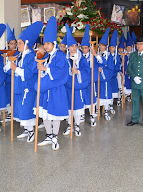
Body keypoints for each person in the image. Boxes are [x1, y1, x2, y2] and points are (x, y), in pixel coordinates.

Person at [36, 16, 69, 151]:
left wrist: (46, 69)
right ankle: (49, 135)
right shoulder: (48, 55)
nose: (45, 46)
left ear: (54, 44)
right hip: (47, 89)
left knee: (55, 114)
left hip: (56, 89)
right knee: (46, 113)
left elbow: (61, 72)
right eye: (45, 44)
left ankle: (55, 137)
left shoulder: (59, 55)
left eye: (48, 44)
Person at [7, 21, 43, 142]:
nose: (18, 45)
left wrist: (16, 69)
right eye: (17, 43)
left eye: (20, 43)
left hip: (28, 88)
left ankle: (31, 131)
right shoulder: (20, 55)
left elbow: (28, 73)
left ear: (27, 44)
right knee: (21, 110)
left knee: (26, 109)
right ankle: (27, 130)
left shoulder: (32, 56)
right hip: (20, 87)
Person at [63, 24, 89, 137]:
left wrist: (78, 72)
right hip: (67, 85)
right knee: (69, 106)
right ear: (68, 47)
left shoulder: (81, 58)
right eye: (71, 46)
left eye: (75, 45)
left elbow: (87, 71)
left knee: (77, 105)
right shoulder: (64, 58)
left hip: (77, 86)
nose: (73, 48)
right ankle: (70, 125)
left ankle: (77, 125)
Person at [91, 28, 114, 121]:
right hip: (98, 78)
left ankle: (106, 112)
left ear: (106, 47)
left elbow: (110, 67)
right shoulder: (96, 54)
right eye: (99, 45)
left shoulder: (109, 56)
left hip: (105, 78)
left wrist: (103, 71)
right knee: (98, 93)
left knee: (105, 94)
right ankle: (97, 111)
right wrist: (97, 69)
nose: (101, 47)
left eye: (102, 46)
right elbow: (95, 64)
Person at [80, 24, 98, 126]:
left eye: (86, 48)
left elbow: (101, 62)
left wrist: (95, 55)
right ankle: (82, 114)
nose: (84, 50)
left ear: (89, 48)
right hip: (83, 80)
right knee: (82, 97)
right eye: (82, 48)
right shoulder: (79, 56)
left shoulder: (93, 56)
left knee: (91, 98)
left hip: (91, 81)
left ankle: (92, 115)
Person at [2, 24, 18, 123]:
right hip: (7, 80)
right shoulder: (5, 54)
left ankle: (14, 112)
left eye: (14, 43)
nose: (13, 45)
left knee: (14, 96)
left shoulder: (18, 53)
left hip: (15, 78)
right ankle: (9, 112)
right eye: (11, 43)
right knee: (8, 95)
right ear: (8, 44)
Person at [108, 29, 121, 113]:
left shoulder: (116, 57)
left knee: (112, 90)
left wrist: (113, 71)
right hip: (107, 76)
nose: (111, 48)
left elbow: (117, 66)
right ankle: (106, 106)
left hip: (113, 76)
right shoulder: (107, 55)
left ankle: (111, 105)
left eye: (113, 47)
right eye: (110, 47)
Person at [123, 32, 133, 102]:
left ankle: (129, 95)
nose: (128, 48)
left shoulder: (134, 54)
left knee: (131, 82)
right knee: (125, 82)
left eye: (130, 47)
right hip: (126, 70)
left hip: (132, 71)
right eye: (127, 47)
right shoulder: (124, 54)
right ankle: (125, 94)